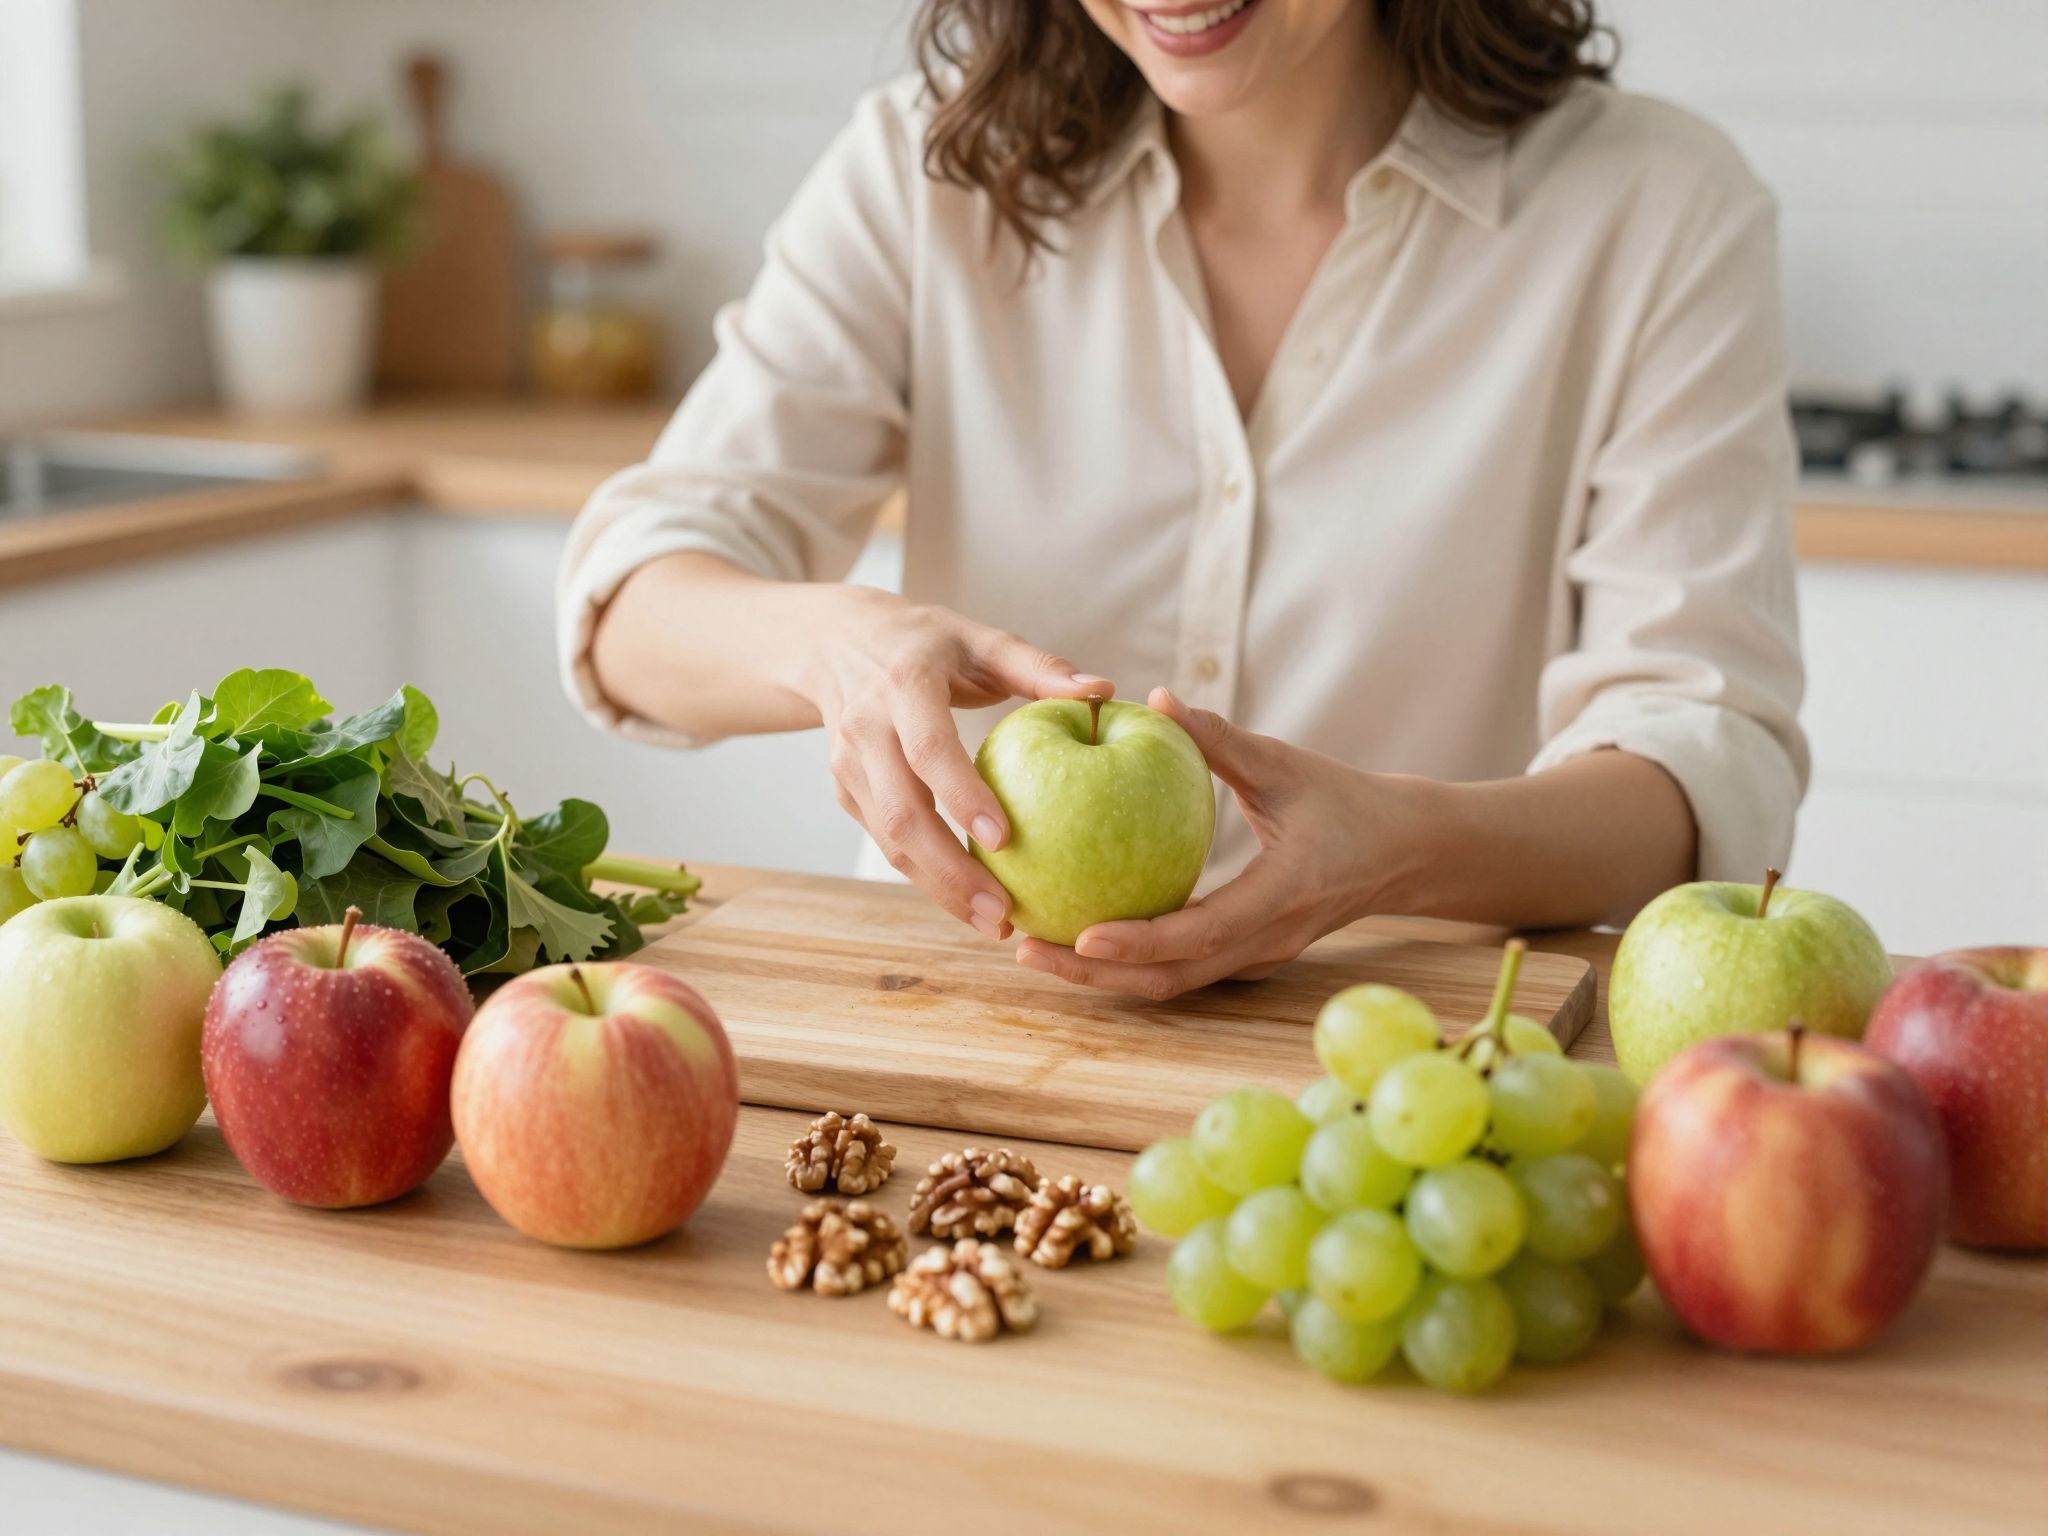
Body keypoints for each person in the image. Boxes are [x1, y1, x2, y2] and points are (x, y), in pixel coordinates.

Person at [557, 0, 1805, 1000]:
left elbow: (1698, 761)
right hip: (960, 1022)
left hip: (1392, 1048)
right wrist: (841, 649)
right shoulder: (922, 167)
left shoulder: (1655, 205)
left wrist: (1401, 851)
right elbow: (632, 599)